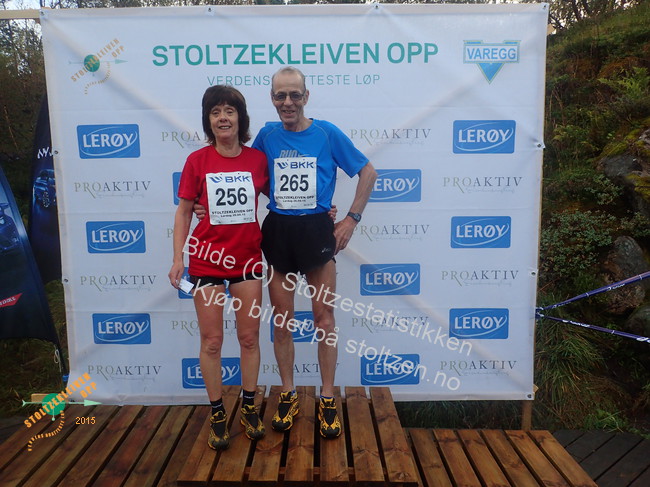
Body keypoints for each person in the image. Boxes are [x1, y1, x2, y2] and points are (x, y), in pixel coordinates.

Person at [195, 67, 377, 438]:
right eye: (281, 95)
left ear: (306, 97)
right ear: (272, 99)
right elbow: (243, 173)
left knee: (324, 321)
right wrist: (206, 205)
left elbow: (368, 173)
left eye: (295, 94)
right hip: (279, 230)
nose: (288, 102)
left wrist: (351, 219)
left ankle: (327, 397)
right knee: (282, 322)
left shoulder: (326, 133)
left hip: (317, 232)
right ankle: (288, 393)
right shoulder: (267, 136)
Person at [169, 85, 269, 450]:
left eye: (229, 111)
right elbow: (183, 211)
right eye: (215, 112)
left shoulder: (258, 160)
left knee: (249, 338)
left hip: (246, 261)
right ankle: (216, 412)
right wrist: (178, 258)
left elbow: (286, 199)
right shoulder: (197, 161)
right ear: (208, 120)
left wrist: (323, 209)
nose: (223, 118)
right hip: (208, 261)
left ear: (240, 118)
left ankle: (249, 407)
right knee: (212, 342)